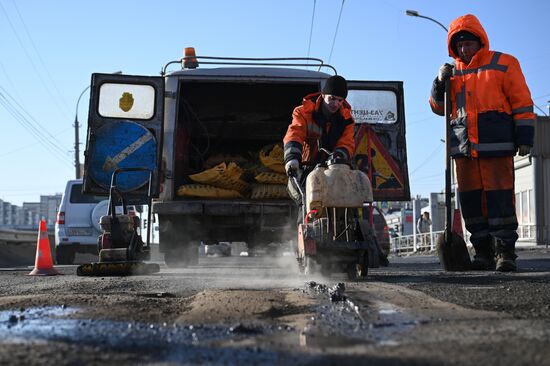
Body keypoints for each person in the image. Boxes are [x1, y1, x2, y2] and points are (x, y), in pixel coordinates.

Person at [429, 14, 535, 272]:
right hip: (464, 150)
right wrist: (438, 83)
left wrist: (525, 137)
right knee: (472, 205)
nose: (464, 49)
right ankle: (483, 253)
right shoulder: (451, 74)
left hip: (495, 146)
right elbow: (438, 108)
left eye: (469, 44)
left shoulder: (504, 63)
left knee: (501, 202)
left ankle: (504, 253)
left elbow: (522, 103)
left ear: (480, 42)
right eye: (460, 45)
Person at [283, 75, 355, 211]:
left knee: (344, 204)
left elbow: (347, 143)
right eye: (332, 98)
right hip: (305, 169)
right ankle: (305, 227)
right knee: (306, 203)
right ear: (323, 95)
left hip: (333, 170)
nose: (336, 104)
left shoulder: (347, 120)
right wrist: (292, 158)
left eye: (340, 100)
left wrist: (338, 159)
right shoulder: (303, 112)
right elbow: (294, 134)